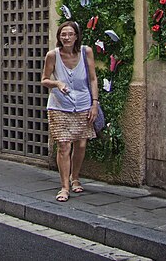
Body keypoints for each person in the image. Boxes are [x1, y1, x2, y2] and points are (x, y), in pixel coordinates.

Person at [41, 21, 98, 203]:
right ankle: (64, 186)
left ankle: (75, 177)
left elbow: (93, 78)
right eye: (63, 35)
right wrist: (57, 83)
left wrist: (94, 103)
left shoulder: (86, 52)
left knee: (80, 145)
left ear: (76, 36)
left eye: (70, 34)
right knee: (64, 146)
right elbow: (44, 79)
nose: (66, 38)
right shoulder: (53, 56)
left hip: (83, 104)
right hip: (59, 105)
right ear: (59, 37)